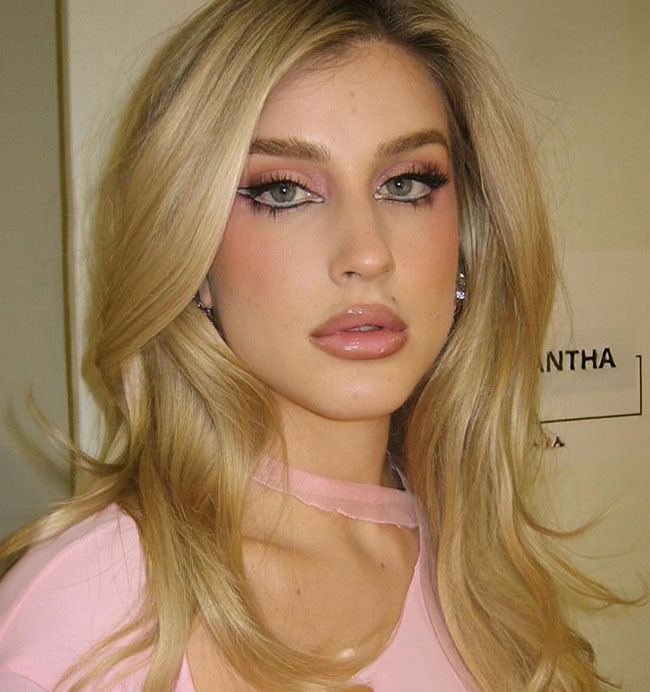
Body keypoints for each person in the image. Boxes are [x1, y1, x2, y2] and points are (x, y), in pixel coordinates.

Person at [0, 0, 626, 690]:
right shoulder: (90, 614)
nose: (367, 254)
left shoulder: (487, 574)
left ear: (467, 236)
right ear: (193, 255)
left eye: (406, 184)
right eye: (284, 192)